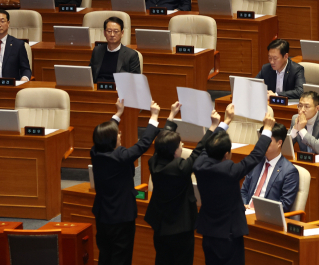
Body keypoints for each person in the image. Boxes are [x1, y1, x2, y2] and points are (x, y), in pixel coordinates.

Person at [194, 108, 275, 265]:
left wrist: (224, 123)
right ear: (226, 155)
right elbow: (255, 156)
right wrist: (267, 130)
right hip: (228, 236)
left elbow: (205, 147)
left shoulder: (198, 165)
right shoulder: (229, 170)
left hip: (208, 233)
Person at [145, 103, 223, 265]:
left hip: (160, 225)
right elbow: (199, 150)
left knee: (162, 260)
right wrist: (213, 126)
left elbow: (162, 141)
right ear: (174, 151)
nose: (182, 146)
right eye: (180, 144)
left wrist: (172, 115)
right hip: (180, 229)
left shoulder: (154, 161)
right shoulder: (181, 168)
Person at [91, 99, 161, 265]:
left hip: (102, 216)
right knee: (121, 258)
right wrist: (154, 116)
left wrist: (117, 114)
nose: (120, 135)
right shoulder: (120, 157)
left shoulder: (95, 152)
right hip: (121, 218)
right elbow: (143, 144)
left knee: (105, 255)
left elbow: (103, 135)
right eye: (118, 134)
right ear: (112, 140)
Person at [240, 121, 299, 211]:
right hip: (246, 212)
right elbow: (244, 191)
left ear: (279, 143)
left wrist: (259, 210)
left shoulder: (289, 171)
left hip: (266, 217)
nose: (262, 144)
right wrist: (244, 205)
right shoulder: (255, 162)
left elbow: (285, 205)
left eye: (267, 141)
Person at [89, 17, 141, 83]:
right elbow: (90, 75)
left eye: (116, 31)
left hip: (118, 91)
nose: (112, 35)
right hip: (97, 89)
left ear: (122, 33)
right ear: (104, 33)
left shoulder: (131, 55)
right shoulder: (97, 51)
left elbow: (135, 81)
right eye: (109, 31)